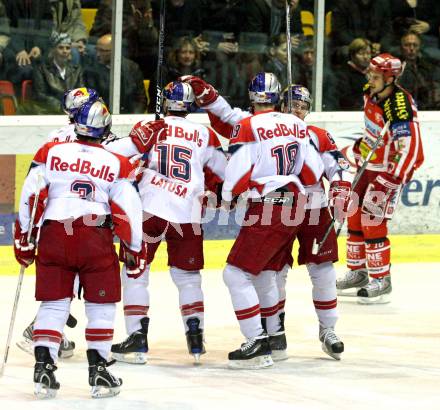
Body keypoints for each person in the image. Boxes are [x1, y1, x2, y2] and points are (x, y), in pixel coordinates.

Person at [181, 75, 350, 361]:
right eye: (292, 103)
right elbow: (227, 115)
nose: (297, 109)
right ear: (281, 103)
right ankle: (275, 334)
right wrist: (208, 95)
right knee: (273, 273)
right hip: (293, 200)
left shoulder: (316, 134)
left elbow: (337, 167)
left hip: (305, 207)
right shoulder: (285, 127)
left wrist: (340, 187)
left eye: (302, 105)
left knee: (320, 270)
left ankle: (327, 330)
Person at [13, 99, 145, 399]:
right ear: (105, 130)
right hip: (93, 238)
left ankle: (44, 367)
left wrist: (24, 237)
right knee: (100, 306)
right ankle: (99, 370)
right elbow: (129, 209)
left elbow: (31, 195)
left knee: (54, 304)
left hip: (54, 235)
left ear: (77, 125)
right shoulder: (117, 162)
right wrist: (134, 249)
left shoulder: (51, 151)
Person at [111, 81, 227, 364]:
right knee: (188, 277)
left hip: (148, 209)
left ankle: (137, 339)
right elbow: (223, 172)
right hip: (187, 213)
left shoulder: (148, 127)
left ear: (164, 103)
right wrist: (220, 195)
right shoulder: (205, 134)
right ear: (190, 106)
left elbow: (113, 157)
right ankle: (195, 334)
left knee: (135, 273)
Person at [217, 72, 328, 369]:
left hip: (270, 205)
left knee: (235, 275)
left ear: (252, 98)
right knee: (266, 272)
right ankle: (275, 338)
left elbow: (238, 170)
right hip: (297, 203)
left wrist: (227, 197)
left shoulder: (247, 125)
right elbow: (313, 172)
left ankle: (256, 342)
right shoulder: (296, 123)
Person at [336, 53, 424, 303]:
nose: (370, 80)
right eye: (370, 74)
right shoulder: (371, 92)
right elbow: (372, 132)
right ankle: (358, 272)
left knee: (372, 219)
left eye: (375, 76)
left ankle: (381, 279)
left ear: (391, 78)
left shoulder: (399, 105)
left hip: (389, 170)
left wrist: (393, 178)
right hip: (369, 165)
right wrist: (359, 148)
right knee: (354, 213)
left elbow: (411, 149)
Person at [83, 33, 147, 114]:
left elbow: (140, 99)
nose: (98, 54)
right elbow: (92, 100)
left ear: (115, 51)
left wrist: (132, 118)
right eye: (97, 49)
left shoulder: (132, 68)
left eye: (103, 51)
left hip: (129, 116)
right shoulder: (91, 70)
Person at [31, 32, 84, 114]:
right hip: (49, 111)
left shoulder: (77, 70)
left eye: (68, 48)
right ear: (53, 50)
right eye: (61, 48)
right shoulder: (42, 69)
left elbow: (81, 93)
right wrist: (62, 107)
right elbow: (40, 95)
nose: (65, 51)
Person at [336, 38, 372, 110]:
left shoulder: (374, 73)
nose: (365, 57)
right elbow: (346, 99)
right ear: (352, 55)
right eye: (361, 54)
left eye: (368, 53)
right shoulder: (343, 74)